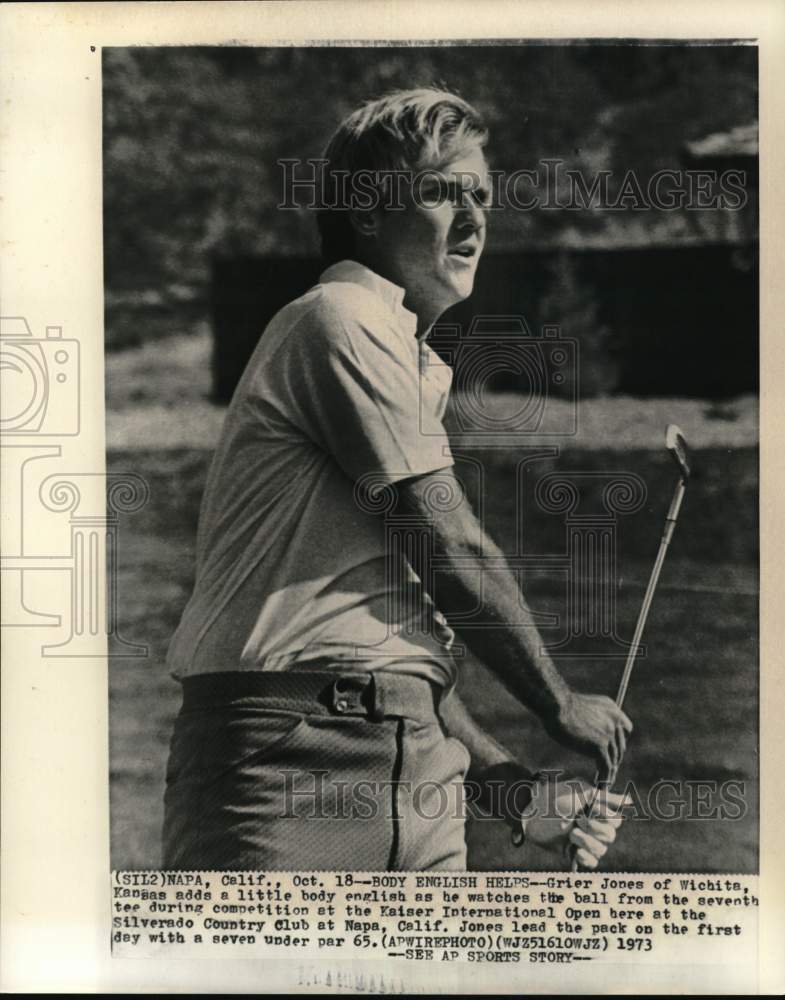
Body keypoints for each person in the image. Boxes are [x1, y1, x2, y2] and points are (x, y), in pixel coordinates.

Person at [162, 88, 632, 872]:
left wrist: (511, 790)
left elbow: (401, 655)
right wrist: (558, 703)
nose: (474, 218)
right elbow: (453, 548)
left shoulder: (395, 354)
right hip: (284, 765)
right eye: (443, 192)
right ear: (367, 212)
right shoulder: (338, 317)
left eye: (482, 197)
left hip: (417, 765)